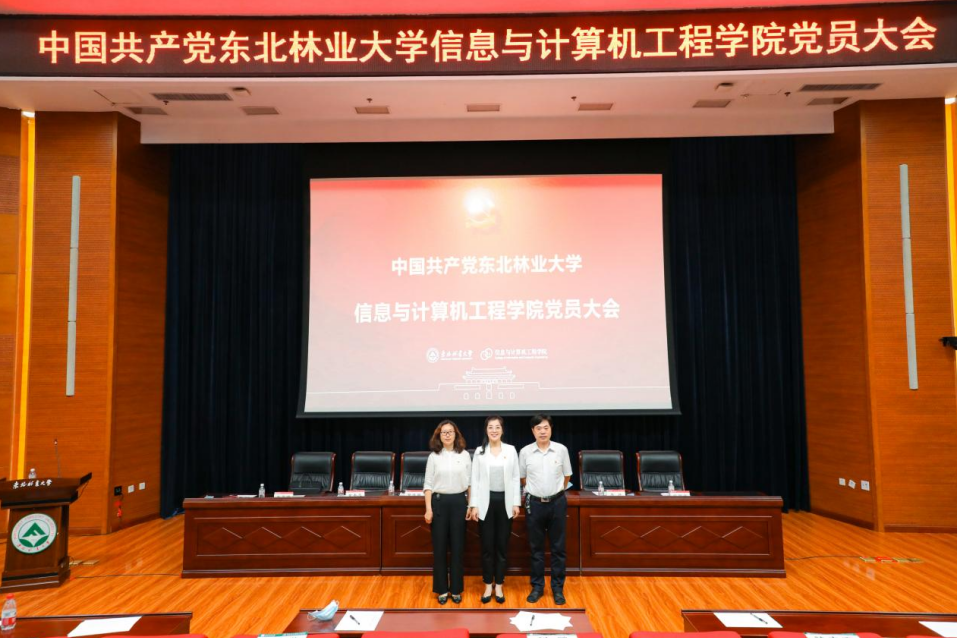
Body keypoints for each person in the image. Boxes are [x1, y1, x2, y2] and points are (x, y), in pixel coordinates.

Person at [519, 413, 572, 605]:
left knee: (558, 549)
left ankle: (557, 589)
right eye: (538, 428)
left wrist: (554, 492)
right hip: (534, 504)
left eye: (546, 428)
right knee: (536, 549)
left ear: (551, 429)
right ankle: (537, 587)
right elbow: (523, 478)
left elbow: (567, 476)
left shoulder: (561, 450)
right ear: (533, 431)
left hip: (557, 503)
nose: (542, 431)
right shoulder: (525, 452)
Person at [467, 415, 521, 604]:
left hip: (505, 502)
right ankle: (487, 584)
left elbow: (515, 477)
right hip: (485, 503)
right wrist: (473, 504)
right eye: (491, 427)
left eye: (497, 427)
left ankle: (499, 584)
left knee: (502, 547)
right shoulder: (480, 452)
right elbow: (474, 479)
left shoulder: (511, 450)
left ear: (502, 430)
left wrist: (516, 502)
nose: (494, 430)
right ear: (486, 430)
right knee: (487, 547)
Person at [423, 419, 471, 605]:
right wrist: (428, 509)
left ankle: (456, 589)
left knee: (458, 549)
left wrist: (471, 505)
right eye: (444, 432)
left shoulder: (465, 455)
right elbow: (428, 484)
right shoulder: (434, 457)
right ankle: (442, 590)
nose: (448, 435)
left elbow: (470, 483)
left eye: (451, 432)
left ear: (456, 434)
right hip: (439, 503)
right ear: (439, 436)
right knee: (440, 549)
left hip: (459, 502)